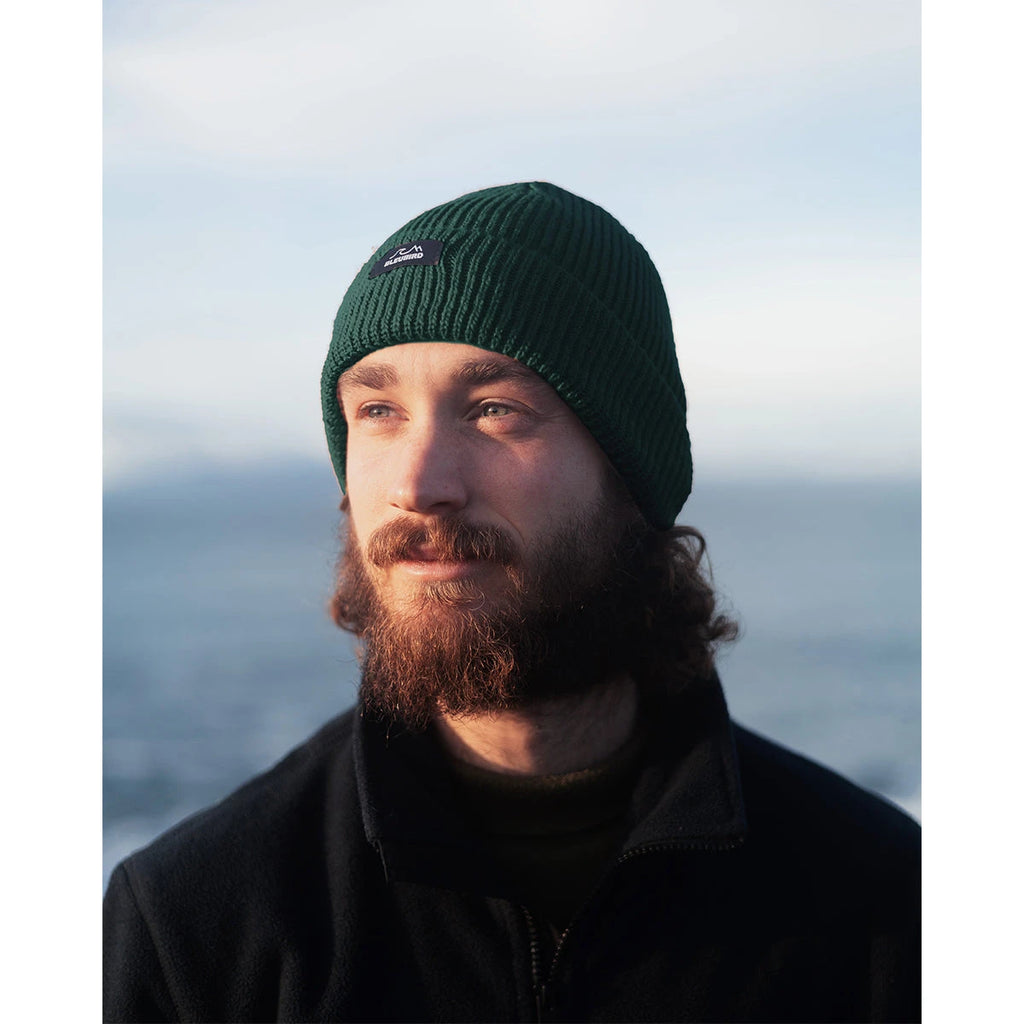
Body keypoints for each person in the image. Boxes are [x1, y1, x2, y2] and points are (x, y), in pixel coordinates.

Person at [103, 182, 921, 1023]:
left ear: (632, 473)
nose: (419, 485)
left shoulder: (881, 905)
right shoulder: (195, 927)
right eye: (378, 411)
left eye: (495, 410)